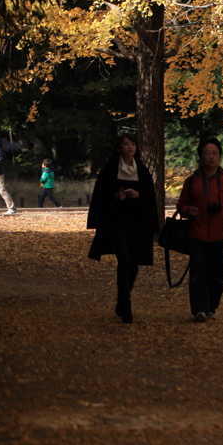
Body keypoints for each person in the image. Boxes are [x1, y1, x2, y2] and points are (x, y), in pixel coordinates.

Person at [87, 134, 160, 324]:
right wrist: (115, 197)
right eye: (126, 144)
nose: (130, 147)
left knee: (133, 265)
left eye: (133, 144)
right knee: (125, 260)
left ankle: (122, 298)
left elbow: (150, 200)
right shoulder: (110, 170)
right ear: (119, 148)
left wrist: (138, 195)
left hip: (136, 223)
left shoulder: (142, 172)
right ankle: (126, 304)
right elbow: (100, 198)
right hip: (115, 222)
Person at [176, 137, 223, 323]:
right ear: (201, 156)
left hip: (219, 236)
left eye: (214, 153)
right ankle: (200, 309)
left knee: (216, 276)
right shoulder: (191, 181)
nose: (211, 157)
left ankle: (211, 307)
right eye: (207, 153)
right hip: (196, 235)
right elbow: (181, 205)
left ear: (219, 156)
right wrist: (188, 211)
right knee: (198, 273)